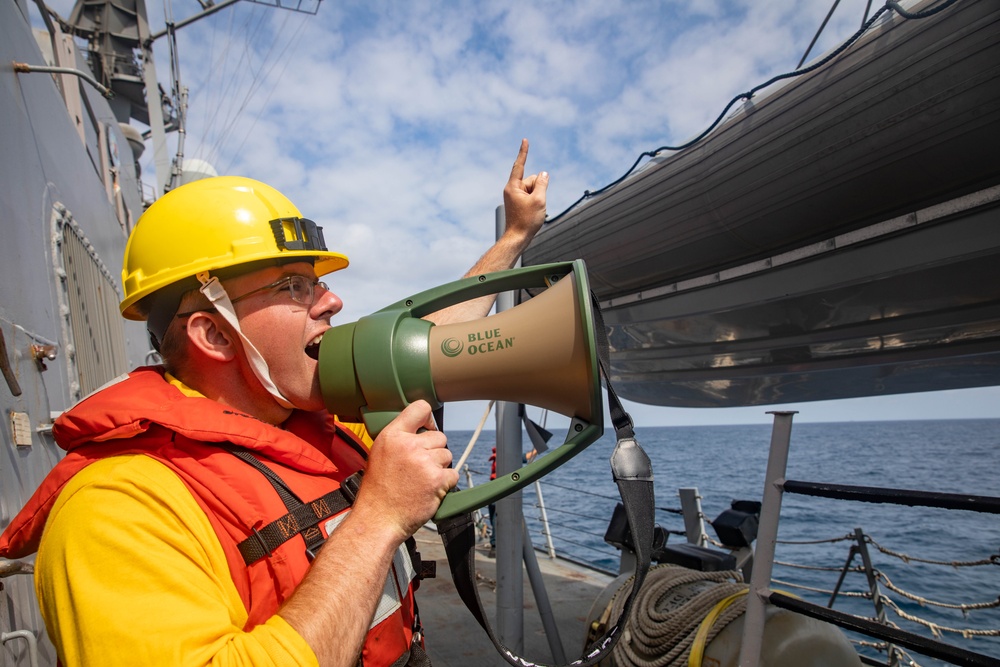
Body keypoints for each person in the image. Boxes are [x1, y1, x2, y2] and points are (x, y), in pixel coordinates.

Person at [0, 140, 548, 666]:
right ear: (213, 334)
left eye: (317, 283)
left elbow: (426, 340)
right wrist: (379, 518)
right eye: (294, 286)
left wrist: (513, 237)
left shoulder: (316, 421)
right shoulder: (115, 512)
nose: (332, 301)